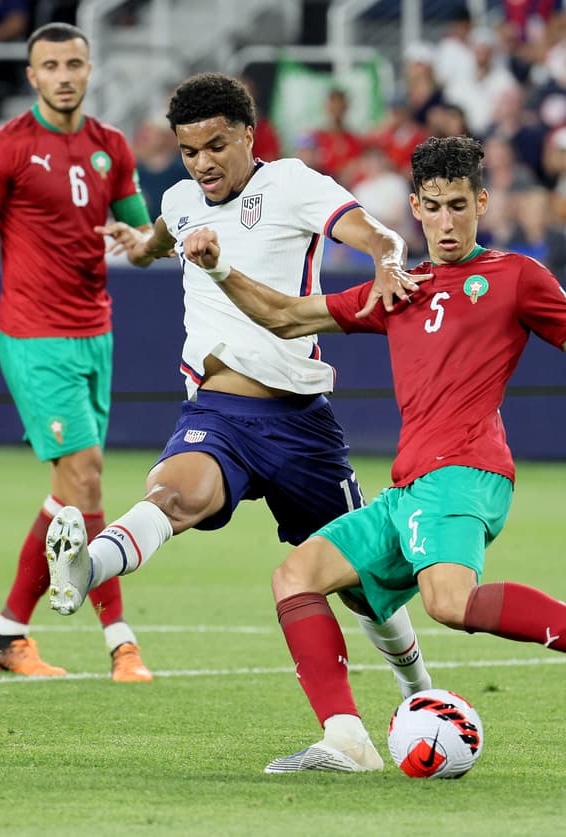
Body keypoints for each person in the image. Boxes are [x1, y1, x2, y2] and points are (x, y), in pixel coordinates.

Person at [176, 136, 566, 773]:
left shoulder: (515, 277)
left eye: (458, 205)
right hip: (409, 487)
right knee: (296, 577)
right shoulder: (399, 288)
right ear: (414, 207)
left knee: (449, 602)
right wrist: (218, 268)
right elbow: (287, 316)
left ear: (482, 201)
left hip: (466, 472)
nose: (445, 221)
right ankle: (347, 739)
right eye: (431, 207)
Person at [43, 72, 435, 700]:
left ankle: (421, 691)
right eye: (190, 151)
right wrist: (136, 243)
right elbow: (156, 242)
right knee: (175, 497)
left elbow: (381, 236)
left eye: (216, 146)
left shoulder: (293, 184)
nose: (202, 163)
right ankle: (87, 566)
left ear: (249, 136)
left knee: (361, 581)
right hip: (219, 414)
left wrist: (388, 262)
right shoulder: (179, 201)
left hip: (301, 423)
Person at [0, 23, 153, 682]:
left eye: (74, 63)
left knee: (67, 492)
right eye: (50, 65)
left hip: (97, 332)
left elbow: (145, 239)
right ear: (33, 76)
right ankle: (121, 641)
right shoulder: (6, 150)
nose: (64, 74)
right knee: (89, 471)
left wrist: (147, 241)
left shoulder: (111, 148)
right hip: (34, 335)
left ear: (89, 70)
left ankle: (9, 633)